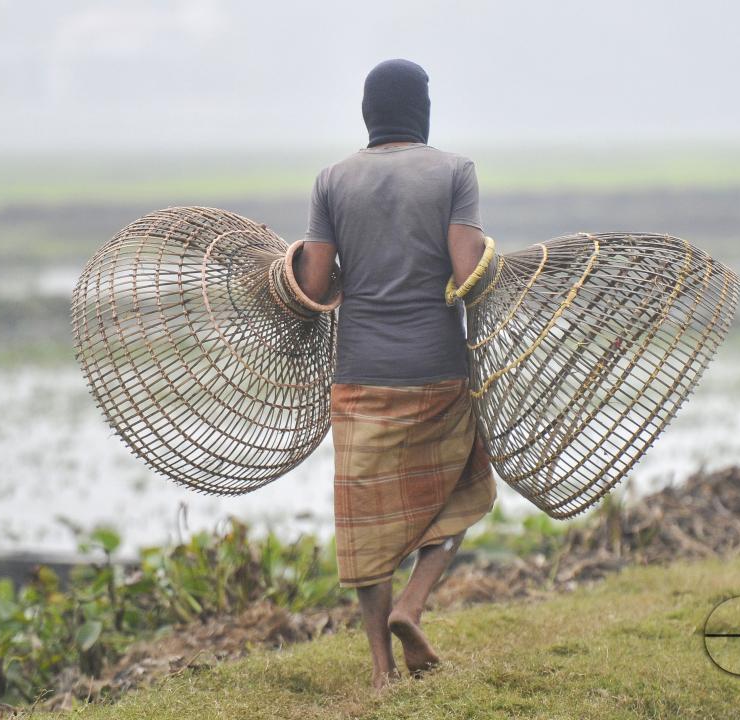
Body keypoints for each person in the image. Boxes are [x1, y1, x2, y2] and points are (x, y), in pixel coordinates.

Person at [294, 58, 497, 689]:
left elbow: (315, 283)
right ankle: (414, 605)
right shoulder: (454, 172)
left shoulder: (332, 180)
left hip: (359, 376)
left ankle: (382, 673)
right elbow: (468, 274)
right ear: (423, 110)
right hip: (438, 369)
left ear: (368, 113)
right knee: (467, 491)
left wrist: (296, 259)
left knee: (364, 526)